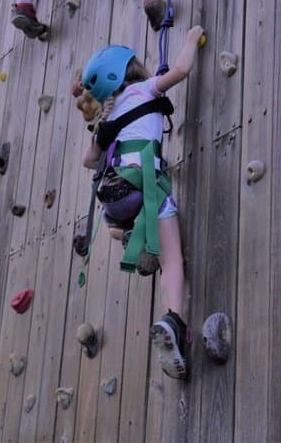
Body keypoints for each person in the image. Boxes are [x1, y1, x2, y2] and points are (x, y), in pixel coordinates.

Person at [79, 26, 204, 380]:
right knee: (173, 260)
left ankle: (135, 236)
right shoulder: (143, 89)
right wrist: (192, 39)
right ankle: (173, 319)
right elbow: (180, 70)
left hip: (116, 200)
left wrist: (100, 132)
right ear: (128, 70)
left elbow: (89, 162)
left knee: (128, 234)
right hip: (147, 185)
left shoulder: (107, 118)